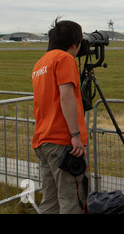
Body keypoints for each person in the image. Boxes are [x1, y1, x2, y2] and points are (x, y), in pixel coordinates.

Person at [32, 17, 89, 214]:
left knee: (50, 200)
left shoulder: (41, 63)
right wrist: (75, 136)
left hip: (43, 139)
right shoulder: (65, 59)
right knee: (72, 200)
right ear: (75, 44)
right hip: (63, 141)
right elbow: (66, 97)